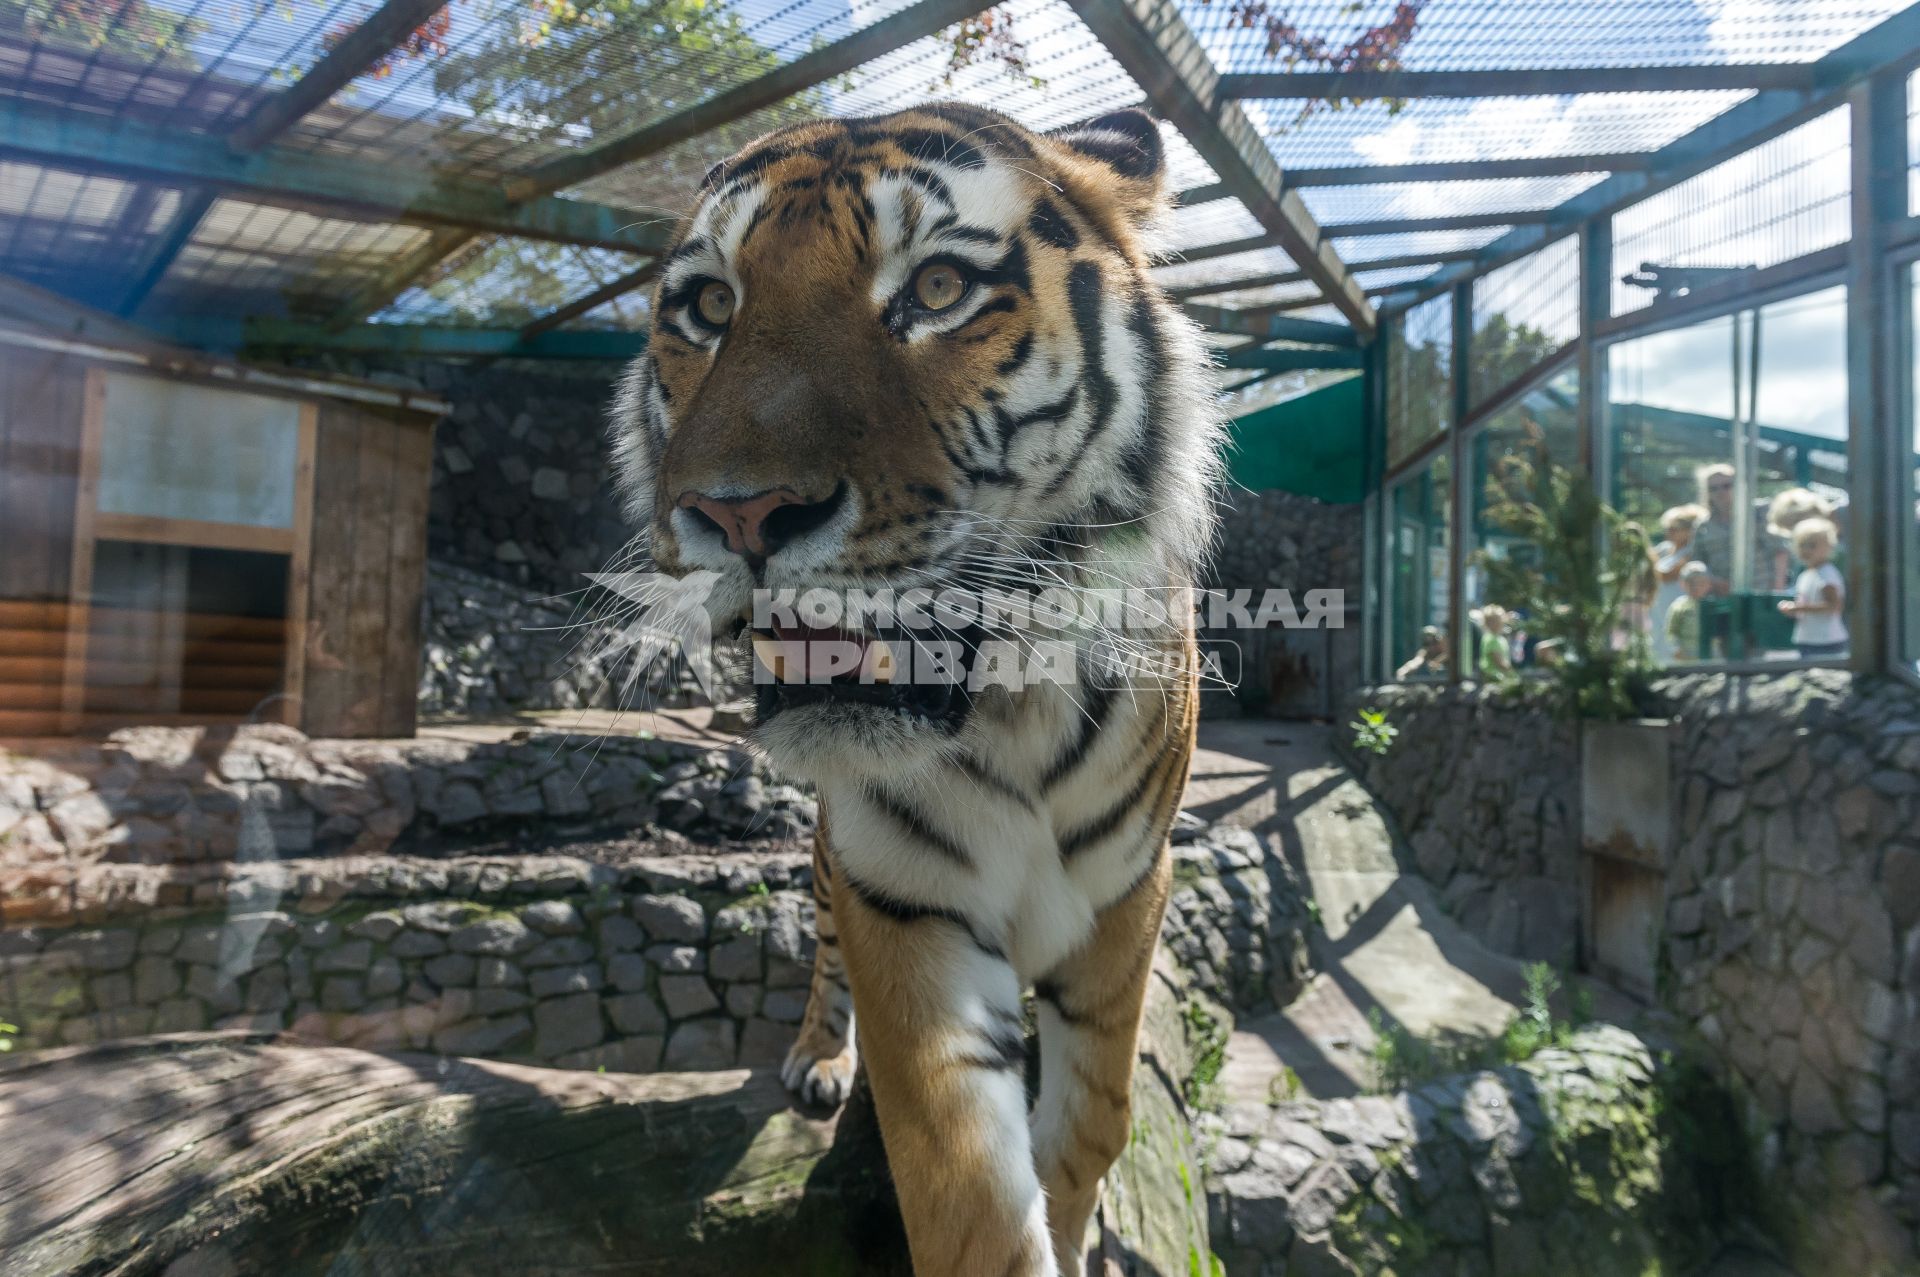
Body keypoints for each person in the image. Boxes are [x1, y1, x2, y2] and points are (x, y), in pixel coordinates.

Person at [1777, 517, 1847, 660]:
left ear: (1828, 547)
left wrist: (1798, 608)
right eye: (1802, 545)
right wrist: (1791, 610)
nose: (1806, 550)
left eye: (1812, 545)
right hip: (1807, 640)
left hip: (1827, 642)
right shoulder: (1805, 575)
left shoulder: (1827, 574)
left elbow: (1833, 606)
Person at [1649, 504, 1705, 663]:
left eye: (1675, 528)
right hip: (1658, 607)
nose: (1669, 532)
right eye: (1668, 528)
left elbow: (1666, 574)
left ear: (1690, 530)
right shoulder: (1665, 549)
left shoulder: (1692, 552)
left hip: (1677, 606)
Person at [1665, 561, 1713, 664]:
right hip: (1686, 657)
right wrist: (1676, 650)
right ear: (1682, 584)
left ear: (1708, 584)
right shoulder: (1678, 606)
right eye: (1691, 582)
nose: (1696, 587)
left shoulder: (1712, 605)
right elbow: (1671, 633)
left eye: (1700, 582)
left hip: (1710, 657)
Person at [1470, 604, 1512, 680]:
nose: (1498, 623)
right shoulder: (1491, 639)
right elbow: (1499, 662)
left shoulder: (1500, 638)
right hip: (1492, 677)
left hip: (1501, 676)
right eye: (1493, 621)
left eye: (1499, 620)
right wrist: (1512, 674)